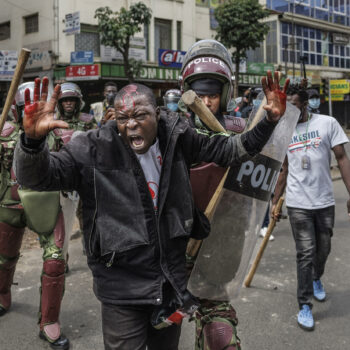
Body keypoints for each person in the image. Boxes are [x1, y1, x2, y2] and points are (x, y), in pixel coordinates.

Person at [14, 71, 287, 349]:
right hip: (122, 290)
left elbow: (231, 150)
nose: (131, 125)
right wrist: (32, 143)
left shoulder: (178, 137)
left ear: (157, 114)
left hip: (170, 283)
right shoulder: (93, 148)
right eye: (123, 119)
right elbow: (37, 177)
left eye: (140, 116)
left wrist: (270, 121)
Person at [271, 83, 350, 331]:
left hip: (324, 201)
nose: (289, 112)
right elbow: (283, 168)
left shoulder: (327, 123)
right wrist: (275, 201)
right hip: (298, 203)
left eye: (293, 106)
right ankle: (304, 304)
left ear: (305, 104)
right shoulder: (284, 130)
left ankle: (317, 278)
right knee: (305, 253)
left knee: (323, 247)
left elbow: (341, 158)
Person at [0, 80, 70, 349]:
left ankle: (49, 321)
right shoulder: (4, 132)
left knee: (55, 261)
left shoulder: (59, 133)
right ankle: (2, 293)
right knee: (4, 259)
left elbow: (73, 167)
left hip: (46, 202)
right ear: (17, 111)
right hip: (9, 202)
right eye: (23, 108)